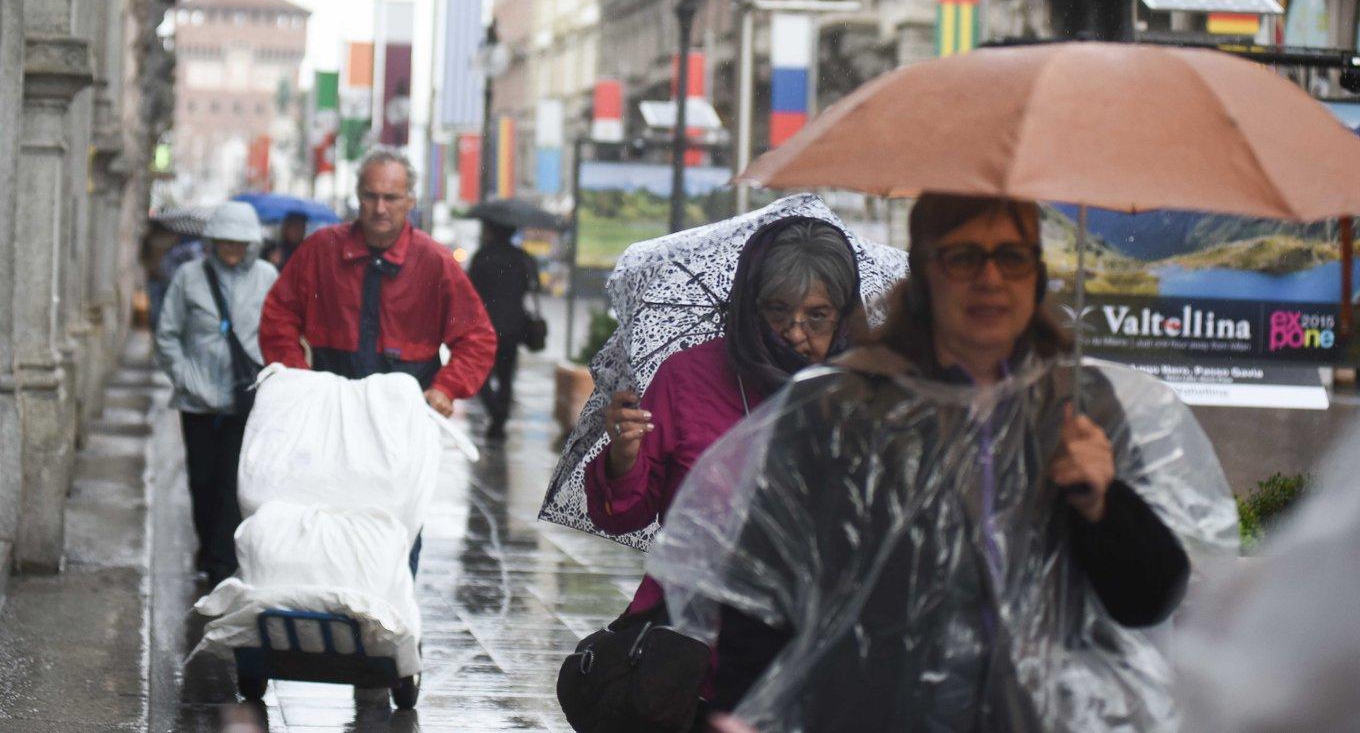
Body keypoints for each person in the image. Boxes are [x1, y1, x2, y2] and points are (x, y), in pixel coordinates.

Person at [649, 193, 1234, 732]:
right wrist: (741, 712)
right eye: (963, 257)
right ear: (925, 275)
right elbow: (762, 592)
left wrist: (1104, 504)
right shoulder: (838, 408)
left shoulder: (1081, 407)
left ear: (1037, 275)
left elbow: (1151, 599)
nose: (989, 278)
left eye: (1011, 257)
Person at [586, 217, 862, 622]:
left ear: (843, 317)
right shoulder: (687, 379)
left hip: (812, 626)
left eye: (817, 316)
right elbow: (621, 516)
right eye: (778, 311)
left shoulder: (860, 391)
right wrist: (623, 459)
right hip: (694, 628)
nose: (795, 334)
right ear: (750, 306)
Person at [259, 146, 497, 573]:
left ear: (410, 201)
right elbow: (279, 314)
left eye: (391, 197)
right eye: (371, 196)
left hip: (402, 418)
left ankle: (393, 615)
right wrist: (295, 378)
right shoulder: (320, 251)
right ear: (357, 197)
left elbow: (476, 337)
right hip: (330, 409)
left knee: (398, 522)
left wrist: (446, 388)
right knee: (325, 514)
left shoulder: (435, 262)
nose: (380, 208)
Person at [154, 201, 277, 588]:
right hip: (198, 401)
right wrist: (186, 377)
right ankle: (208, 548)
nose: (232, 250)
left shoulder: (266, 276)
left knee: (232, 482)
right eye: (225, 242)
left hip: (245, 398)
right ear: (213, 241)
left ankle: (223, 565)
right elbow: (168, 334)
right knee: (202, 481)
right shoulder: (190, 276)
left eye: (240, 243)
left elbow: (277, 331)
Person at [466, 219, 539, 439]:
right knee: (506, 376)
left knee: (479, 375)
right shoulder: (522, 257)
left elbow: (469, 288)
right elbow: (533, 286)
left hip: (485, 326)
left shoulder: (482, 255)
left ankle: (496, 412)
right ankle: (501, 417)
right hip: (513, 327)